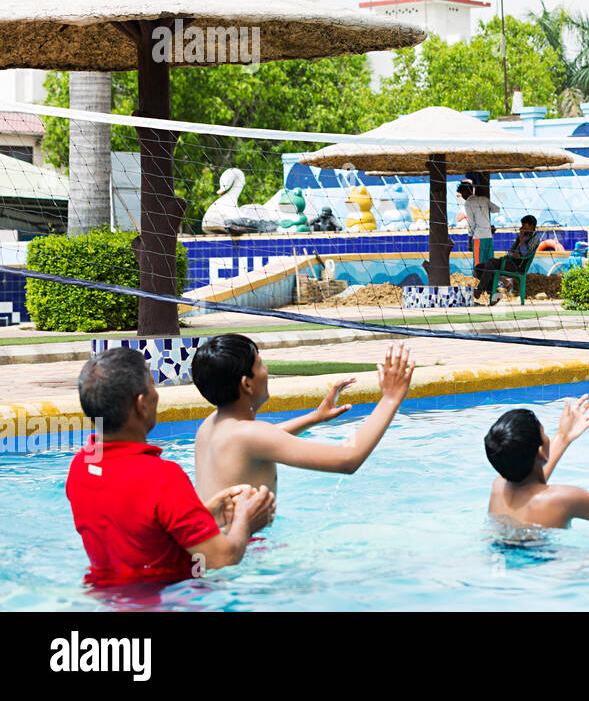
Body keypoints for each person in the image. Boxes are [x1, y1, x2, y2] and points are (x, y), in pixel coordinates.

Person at [65, 349, 275, 586]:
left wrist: (202, 514)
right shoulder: (162, 476)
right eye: (152, 386)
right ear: (141, 405)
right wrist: (246, 521)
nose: (157, 395)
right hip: (169, 599)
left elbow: (135, 533)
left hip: (106, 596)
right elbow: (223, 558)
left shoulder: (82, 465)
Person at [193, 336, 415, 502]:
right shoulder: (252, 435)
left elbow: (262, 439)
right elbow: (347, 459)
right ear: (247, 384)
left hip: (216, 548)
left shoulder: (210, 425)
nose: (266, 369)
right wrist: (390, 399)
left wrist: (314, 417)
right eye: (260, 364)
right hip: (246, 553)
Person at [486, 396, 589, 529]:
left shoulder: (498, 487)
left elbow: (531, 483)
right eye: (544, 433)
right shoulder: (566, 498)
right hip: (548, 560)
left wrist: (563, 437)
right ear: (540, 451)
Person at [485, 214, 541, 304]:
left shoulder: (535, 239)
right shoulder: (521, 236)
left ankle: (481, 290)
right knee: (480, 267)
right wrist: (513, 253)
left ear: (531, 227)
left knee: (490, 262)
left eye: (524, 226)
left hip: (518, 267)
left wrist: (522, 241)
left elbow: (526, 253)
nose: (522, 228)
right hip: (510, 261)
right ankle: (497, 292)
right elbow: (511, 250)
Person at [460, 178, 500, 303]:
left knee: (478, 268)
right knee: (489, 265)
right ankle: (492, 292)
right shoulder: (483, 199)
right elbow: (496, 209)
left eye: (462, 195)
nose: (462, 197)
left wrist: (469, 239)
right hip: (488, 237)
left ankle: (483, 291)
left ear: (465, 193)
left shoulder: (468, 203)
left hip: (478, 237)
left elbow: (471, 223)